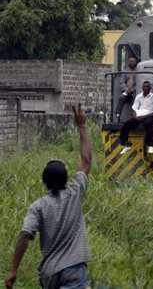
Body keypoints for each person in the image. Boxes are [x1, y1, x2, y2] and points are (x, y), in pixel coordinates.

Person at [5, 105, 92, 289]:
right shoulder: (75, 193)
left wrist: (13, 270)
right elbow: (85, 161)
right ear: (66, 178)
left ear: (44, 182)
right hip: (74, 270)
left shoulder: (38, 207)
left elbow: (24, 236)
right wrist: (82, 126)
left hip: (49, 273)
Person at [119, 80, 153, 155]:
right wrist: (135, 116)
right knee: (126, 124)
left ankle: (149, 144)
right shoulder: (139, 96)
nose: (146, 88)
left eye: (147, 87)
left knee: (148, 124)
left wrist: (144, 117)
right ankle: (126, 143)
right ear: (142, 87)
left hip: (148, 116)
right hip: (139, 116)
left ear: (150, 88)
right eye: (144, 86)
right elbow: (134, 109)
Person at [115, 55, 138, 122]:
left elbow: (139, 82)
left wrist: (133, 89)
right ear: (128, 62)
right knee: (122, 97)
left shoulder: (138, 71)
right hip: (127, 91)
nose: (132, 63)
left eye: (133, 61)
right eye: (130, 61)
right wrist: (126, 90)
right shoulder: (125, 71)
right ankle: (118, 114)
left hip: (136, 91)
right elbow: (122, 82)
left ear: (136, 62)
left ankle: (136, 117)